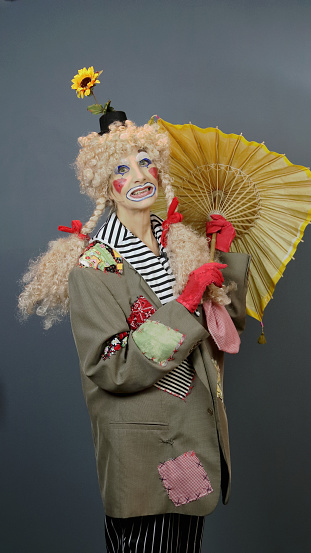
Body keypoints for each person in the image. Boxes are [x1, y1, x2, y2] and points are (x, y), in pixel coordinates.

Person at [19, 113, 250, 553]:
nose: (140, 176)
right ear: (106, 186)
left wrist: (224, 251)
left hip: (190, 438)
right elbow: (113, 367)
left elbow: (222, 331)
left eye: (146, 162)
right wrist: (184, 304)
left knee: (181, 544)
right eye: (122, 169)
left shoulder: (179, 241)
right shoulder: (94, 267)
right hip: (147, 454)